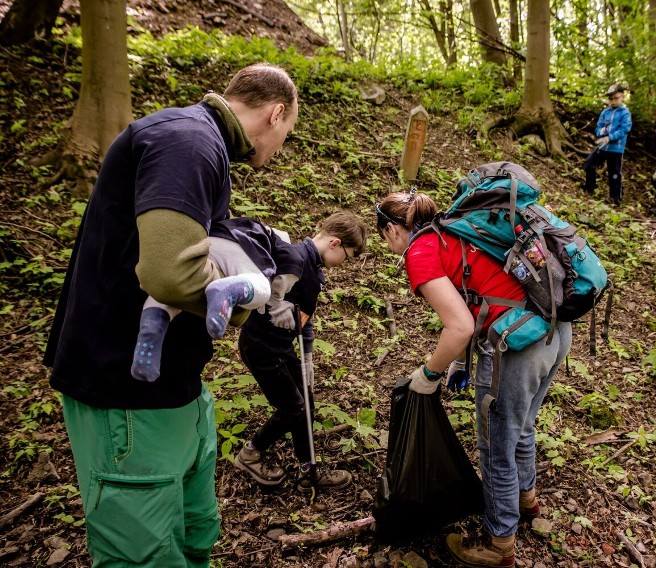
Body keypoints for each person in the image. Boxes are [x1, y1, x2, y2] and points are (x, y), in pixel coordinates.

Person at [43, 63, 298, 566]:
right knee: (144, 556)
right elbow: (170, 276)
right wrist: (246, 304)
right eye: (287, 134)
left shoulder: (199, 145)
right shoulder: (189, 142)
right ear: (276, 113)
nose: (280, 148)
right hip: (126, 393)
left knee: (193, 536)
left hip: (170, 389)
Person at [376, 190, 573, 567]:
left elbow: (461, 325)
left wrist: (428, 373)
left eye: (385, 235)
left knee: (497, 444)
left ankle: (500, 545)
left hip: (520, 343)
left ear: (391, 230)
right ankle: (525, 500)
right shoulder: (457, 231)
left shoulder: (419, 251)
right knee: (523, 424)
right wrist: (461, 363)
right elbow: (482, 294)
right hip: (555, 327)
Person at [233, 211, 368, 492]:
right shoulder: (294, 258)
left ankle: (309, 468)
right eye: (349, 255)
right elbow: (263, 288)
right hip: (261, 347)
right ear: (335, 243)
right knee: (293, 407)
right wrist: (272, 306)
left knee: (306, 404)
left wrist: (306, 353)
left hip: (281, 347)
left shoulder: (314, 269)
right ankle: (250, 454)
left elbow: (304, 314)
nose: (345, 264)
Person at [131, 217, 300, 382]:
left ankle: (151, 329)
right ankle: (227, 291)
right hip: (240, 247)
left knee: (167, 298)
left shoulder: (248, 223)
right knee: (261, 288)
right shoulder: (287, 249)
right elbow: (281, 283)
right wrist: (274, 302)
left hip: (208, 242)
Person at [583, 83, 632, 206]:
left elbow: (624, 129)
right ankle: (590, 188)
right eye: (611, 99)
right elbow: (598, 127)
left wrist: (610, 138)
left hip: (616, 149)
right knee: (589, 164)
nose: (613, 101)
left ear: (622, 97)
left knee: (614, 173)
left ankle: (616, 199)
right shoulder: (605, 112)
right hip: (603, 146)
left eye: (616, 98)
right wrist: (601, 132)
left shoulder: (625, 113)